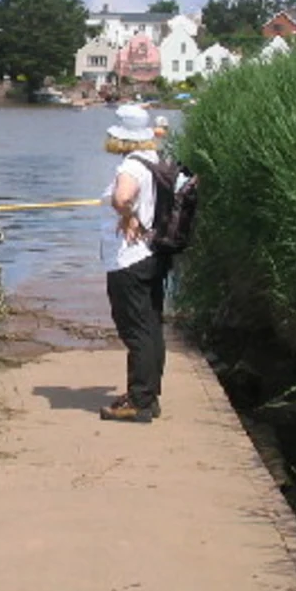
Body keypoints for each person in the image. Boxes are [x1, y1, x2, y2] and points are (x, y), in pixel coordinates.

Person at [98, 104, 167, 423]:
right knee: (151, 326)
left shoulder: (131, 167)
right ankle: (149, 396)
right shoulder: (155, 160)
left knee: (136, 329)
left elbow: (122, 198)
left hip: (129, 258)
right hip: (152, 255)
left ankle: (138, 401)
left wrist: (129, 216)